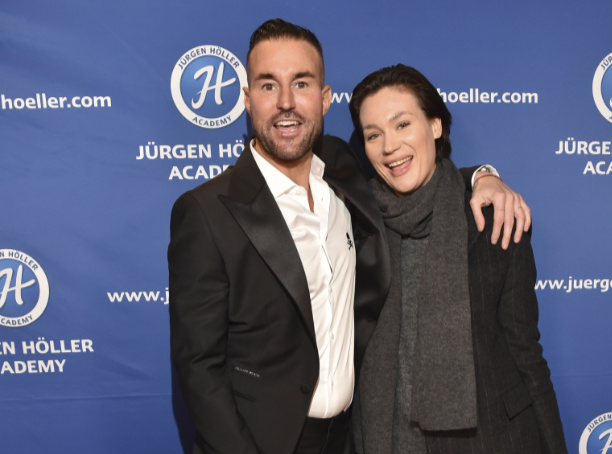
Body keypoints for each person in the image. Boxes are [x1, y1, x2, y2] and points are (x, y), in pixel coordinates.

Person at [168, 19, 530, 454]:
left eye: (301, 84)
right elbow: (197, 368)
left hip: (351, 438)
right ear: (247, 100)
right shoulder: (205, 211)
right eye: (268, 86)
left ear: (323, 99)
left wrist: (483, 178)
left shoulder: (344, 170)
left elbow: (418, 174)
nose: (286, 102)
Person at [348, 64, 568, 454]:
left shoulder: (493, 218)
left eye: (402, 125)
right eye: (373, 134)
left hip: (490, 439)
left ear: (435, 126)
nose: (389, 146)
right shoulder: (354, 221)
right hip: (388, 440)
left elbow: (525, 350)